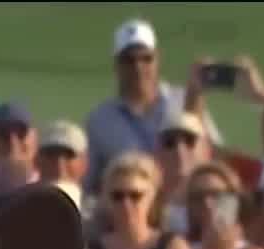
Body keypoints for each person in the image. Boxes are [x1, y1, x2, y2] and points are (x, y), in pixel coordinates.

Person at [83, 18, 216, 192]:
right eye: (129, 60)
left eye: (146, 58)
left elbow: (211, 156)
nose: (138, 67)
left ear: (157, 59)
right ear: (116, 64)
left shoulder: (184, 99)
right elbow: (89, 183)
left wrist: (195, 100)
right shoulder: (100, 120)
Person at [0, 102, 41, 195]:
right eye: (4, 133)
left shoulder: (49, 194)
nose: (13, 142)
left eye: (21, 132)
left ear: (34, 137)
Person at [38, 121, 90, 212]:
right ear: (37, 161)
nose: (59, 163)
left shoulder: (98, 215)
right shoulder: (21, 212)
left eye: (68, 155)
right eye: (51, 154)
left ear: (84, 163)